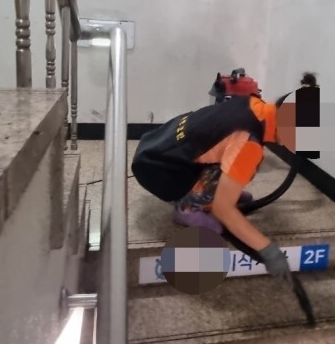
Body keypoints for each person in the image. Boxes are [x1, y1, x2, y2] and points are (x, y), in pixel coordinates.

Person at [131, 73, 319, 281]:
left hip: (156, 144)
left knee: (242, 166)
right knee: (228, 201)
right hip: (158, 170)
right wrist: (268, 250)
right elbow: (223, 210)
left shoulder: (254, 104)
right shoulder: (249, 143)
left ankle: (211, 193)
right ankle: (187, 208)